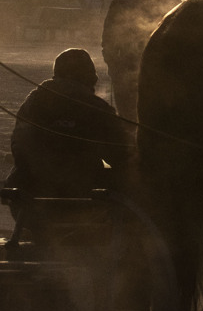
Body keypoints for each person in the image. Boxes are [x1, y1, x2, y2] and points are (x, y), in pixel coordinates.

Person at [6, 49, 133, 213]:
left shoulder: (33, 102)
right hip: (80, 198)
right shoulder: (95, 107)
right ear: (89, 78)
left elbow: (18, 146)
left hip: (26, 198)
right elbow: (121, 151)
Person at [101, 0, 181, 122]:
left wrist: (114, 66)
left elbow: (109, 39)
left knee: (128, 121)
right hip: (161, 77)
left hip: (125, 73)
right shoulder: (174, 4)